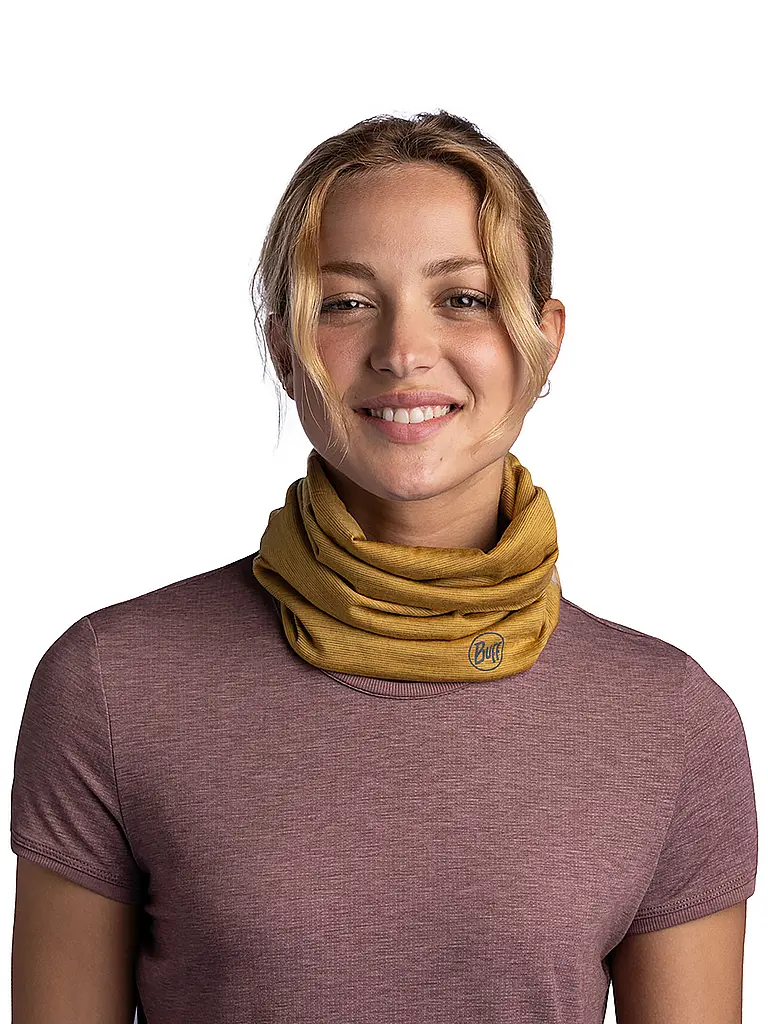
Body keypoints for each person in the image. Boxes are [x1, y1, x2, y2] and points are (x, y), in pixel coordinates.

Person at [10, 110, 758, 1023]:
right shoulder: (112, 684)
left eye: (464, 298)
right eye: (346, 303)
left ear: (544, 339)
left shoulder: (670, 722)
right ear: (284, 348)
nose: (403, 351)